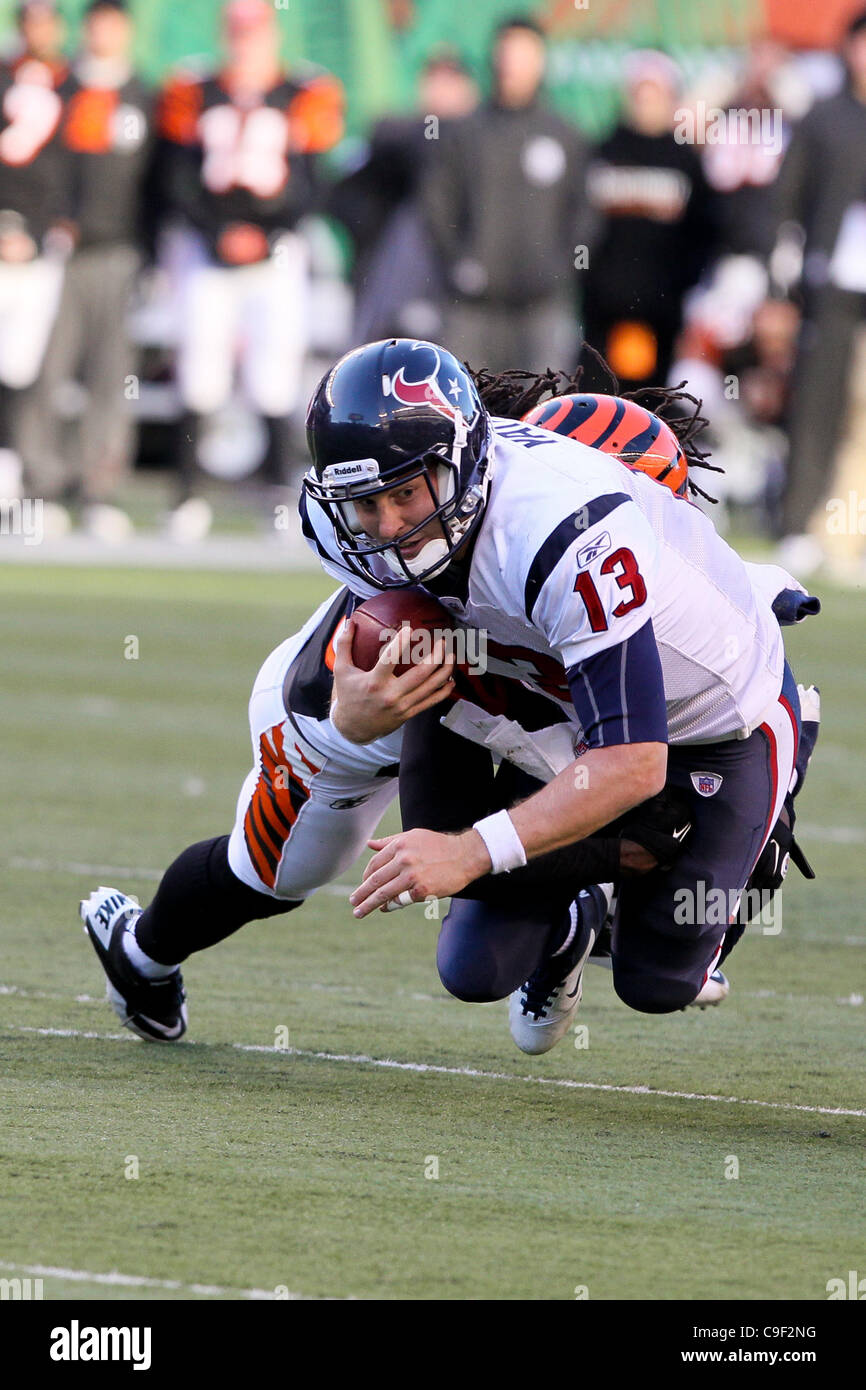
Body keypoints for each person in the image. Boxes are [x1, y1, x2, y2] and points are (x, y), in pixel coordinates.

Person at [78, 377, 729, 1043]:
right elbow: (444, 813)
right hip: (364, 714)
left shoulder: (628, 570)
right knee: (277, 874)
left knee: (636, 801)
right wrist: (355, 721)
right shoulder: (494, 539)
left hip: (503, 713)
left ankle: (571, 919)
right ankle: (139, 952)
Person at [300, 338, 813, 1054]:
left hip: (711, 721)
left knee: (658, 980)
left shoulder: (566, 533)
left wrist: (475, 849)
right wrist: (351, 715)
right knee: (474, 968)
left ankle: (781, 760)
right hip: (540, 682)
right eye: (365, 503)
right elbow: (351, 659)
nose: (386, 529)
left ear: (461, 467)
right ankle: (577, 916)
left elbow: (632, 761)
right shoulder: (344, 518)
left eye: (405, 494)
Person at [155, 0, 344, 541]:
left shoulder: (306, 91)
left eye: (256, 31)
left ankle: (278, 497)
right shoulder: (192, 88)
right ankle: (186, 496)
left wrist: (271, 231)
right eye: (238, 31)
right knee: (199, 368)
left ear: (274, 33)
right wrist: (216, 232)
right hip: (205, 246)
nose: (246, 42)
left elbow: (313, 181)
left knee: (275, 373)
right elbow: (177, 177)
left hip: (277, 249)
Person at [18, 0, 154, 542]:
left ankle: (99, 488)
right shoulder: (59, 87)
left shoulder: (143, 93)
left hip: (119, 252)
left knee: (112, 376)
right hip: (58, 253)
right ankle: (40, 485)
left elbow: (156, 177)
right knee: (44, 370)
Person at [422, 15, 589, 372]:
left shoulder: (565, 135)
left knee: (542, 412)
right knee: (471, 408)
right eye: (506, 55)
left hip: (543, 307)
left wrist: (558, 270)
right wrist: (460, 265)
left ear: (540, 62)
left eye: (523, 56)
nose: (512, 66)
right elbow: (437, 206)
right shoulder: (465, 134)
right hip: (473, 308)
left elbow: (585, 213)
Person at [772, 6, 866, 580]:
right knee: (816, 407)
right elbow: (788, 198)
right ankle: (798, 524)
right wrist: (783, 273)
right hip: (830, 287)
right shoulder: (824, 118)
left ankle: (849, 533)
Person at [579, 50, 718, 395]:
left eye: (655, 93)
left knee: (649, 402)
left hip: (660, 311)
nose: (646, 102)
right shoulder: (603, 151)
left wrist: (682, 285)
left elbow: (704, 231)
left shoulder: (685, 162)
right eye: (640, 92)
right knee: (597, 397)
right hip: (602, 309)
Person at [0, 0, 72, 507]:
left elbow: (90, 167)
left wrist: (49, 227)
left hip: (45, 249)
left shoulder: (76, 84)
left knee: (22, 370)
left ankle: (14, 480)